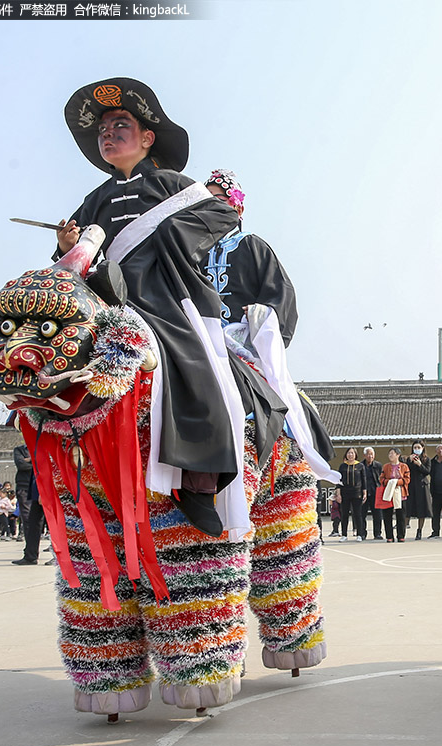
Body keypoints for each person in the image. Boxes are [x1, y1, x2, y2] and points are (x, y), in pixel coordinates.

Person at [56, 78, 284, 536]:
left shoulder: (176, 187)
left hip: (168, 301)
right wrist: (66, 245)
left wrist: (170, 237)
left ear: (146, 138)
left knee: (197, 369)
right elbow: (75, 262)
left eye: (121, 124)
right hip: (110, 304)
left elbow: (225, 215)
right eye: (102, 128)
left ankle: (199, 480)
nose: (108, 133)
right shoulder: (93, 201)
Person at [200, 168, 337, 485]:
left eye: (220, 200)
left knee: (282, 403)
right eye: (205, 202)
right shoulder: (191, 252)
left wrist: (260, 315)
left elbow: (282, 295)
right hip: (199, 345)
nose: (212, 207)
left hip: (244, 345)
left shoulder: (253, 247)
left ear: (238, 208)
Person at [12, 441, 45, 565]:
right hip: (32, 488)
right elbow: (21, 465)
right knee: (31, 522)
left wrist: (32, 460)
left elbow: (45, 465)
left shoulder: (44, 446)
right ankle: (30, 555)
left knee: (52, 524)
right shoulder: (20, 449)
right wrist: (35, 461)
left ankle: (57, 555)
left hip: (45, 488)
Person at [376, 448, 410, 543]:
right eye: (389, 453)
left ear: (398, 455)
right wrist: (389, 482)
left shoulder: (404, 466)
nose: (390, 455)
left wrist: (397, 482)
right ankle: (389, 536)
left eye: (392, 453)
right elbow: (381, 479)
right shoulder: (386, 466)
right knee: (387, 515)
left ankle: (401, 535)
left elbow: (407, 479)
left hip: (401, 492)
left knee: (401, 515)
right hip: (388, 492)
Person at [337, 448, 367, 540]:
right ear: (346, 455)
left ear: (355, 455)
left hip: (357, 492)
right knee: (344, 514)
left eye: (352, 453)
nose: (350, 455)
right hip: (345, 492)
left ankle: (359, 534)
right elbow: (338, 481)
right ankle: (344, 535)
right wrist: (338, 493)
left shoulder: (360, 466)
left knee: (358, 514)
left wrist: (364, 492)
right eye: (349, 453)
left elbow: (364, 480)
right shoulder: (342, 466)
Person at [404, 441, 431, 540]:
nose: (417, 449)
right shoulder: (409, 459)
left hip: (422, 487)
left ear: (423, 448)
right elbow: (405, 471)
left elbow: (427, 471)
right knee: (408, 508)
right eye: (415, 447)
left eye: (418, 447)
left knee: (421, 510)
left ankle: (419, 531)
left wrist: (420, 464)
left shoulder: (426, 459)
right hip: (411, 487)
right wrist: (409, 461)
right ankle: (403, 528)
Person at [360, 447, 381, 539]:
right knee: (362, 515)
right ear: (364, 455)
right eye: (368, 454)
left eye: (372, 454)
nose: (370, 456)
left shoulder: (378, 465)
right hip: (363, 493)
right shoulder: (360, 466)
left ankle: (377, 533)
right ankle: (362, 533)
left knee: (377, 515)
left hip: (375, 493)